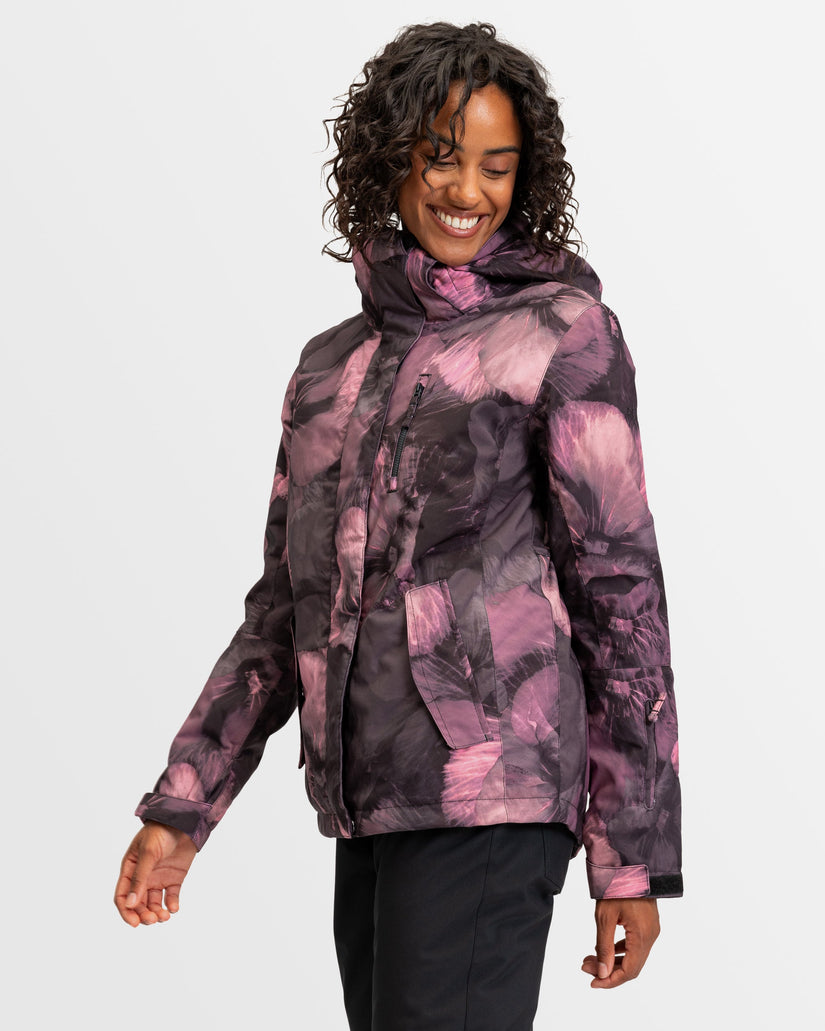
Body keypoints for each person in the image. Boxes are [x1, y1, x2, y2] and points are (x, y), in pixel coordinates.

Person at [115, 21, 682, 1030]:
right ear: (389, 158)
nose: (468, 189)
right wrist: (183, 806)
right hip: (369, 804)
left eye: (496, 167)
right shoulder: (330, 368)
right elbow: (282, 612)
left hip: (494, 792)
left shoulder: (559, 335)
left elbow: (620, 597)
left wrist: (630, 854)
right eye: (442, 156)